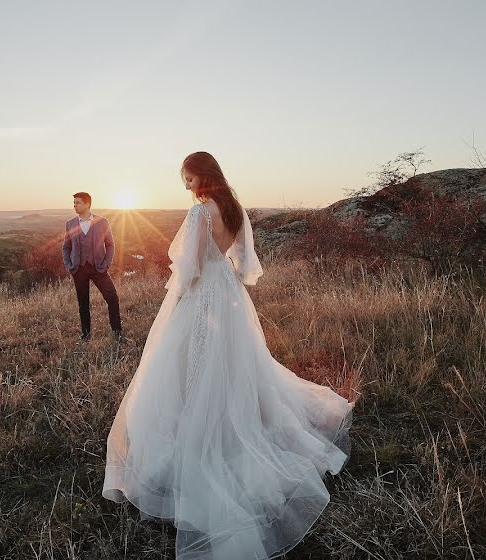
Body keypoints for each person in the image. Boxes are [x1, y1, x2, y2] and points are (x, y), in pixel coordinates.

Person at [102, 152, 353, 559]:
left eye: (187, 177)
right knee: (236, 364)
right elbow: (241, 262)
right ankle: (234, 415)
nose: (185, 185)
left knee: (189, 366)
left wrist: (180, 299)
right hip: (230, 297)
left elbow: (194, 266)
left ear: (202, 175)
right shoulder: (234, 210)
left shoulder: (200, 212)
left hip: (204, 298)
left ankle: (200, 431)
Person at [62, 192, 122, 340]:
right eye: (74, 203)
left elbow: (110, 245)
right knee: (83, 304)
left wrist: (105, 265)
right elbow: (66, 247)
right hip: (79, 269)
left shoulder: (102, 222)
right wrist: (70, 266)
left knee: (112, 298)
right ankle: (86, 336)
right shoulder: (70, 224)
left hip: (98, 269)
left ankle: (117, 333)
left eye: (77, 202)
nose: (74, 205)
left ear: (87, 204)